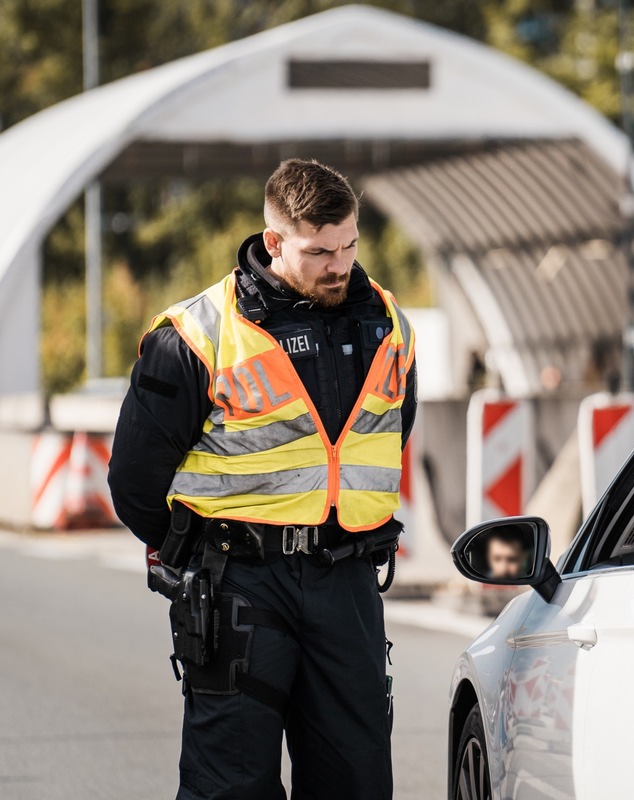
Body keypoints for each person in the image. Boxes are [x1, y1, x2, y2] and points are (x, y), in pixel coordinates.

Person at [108, 159, 417, 800]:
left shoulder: (389, 325)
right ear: (274, 242)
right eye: (320, 251)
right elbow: (134, 480)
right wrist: (199, 551)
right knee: (232, 787)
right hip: (239, 584)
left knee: (356, 783)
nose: (340, 265)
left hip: (347, 583)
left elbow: (385, 436)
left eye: (350, 245)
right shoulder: (195, 335)